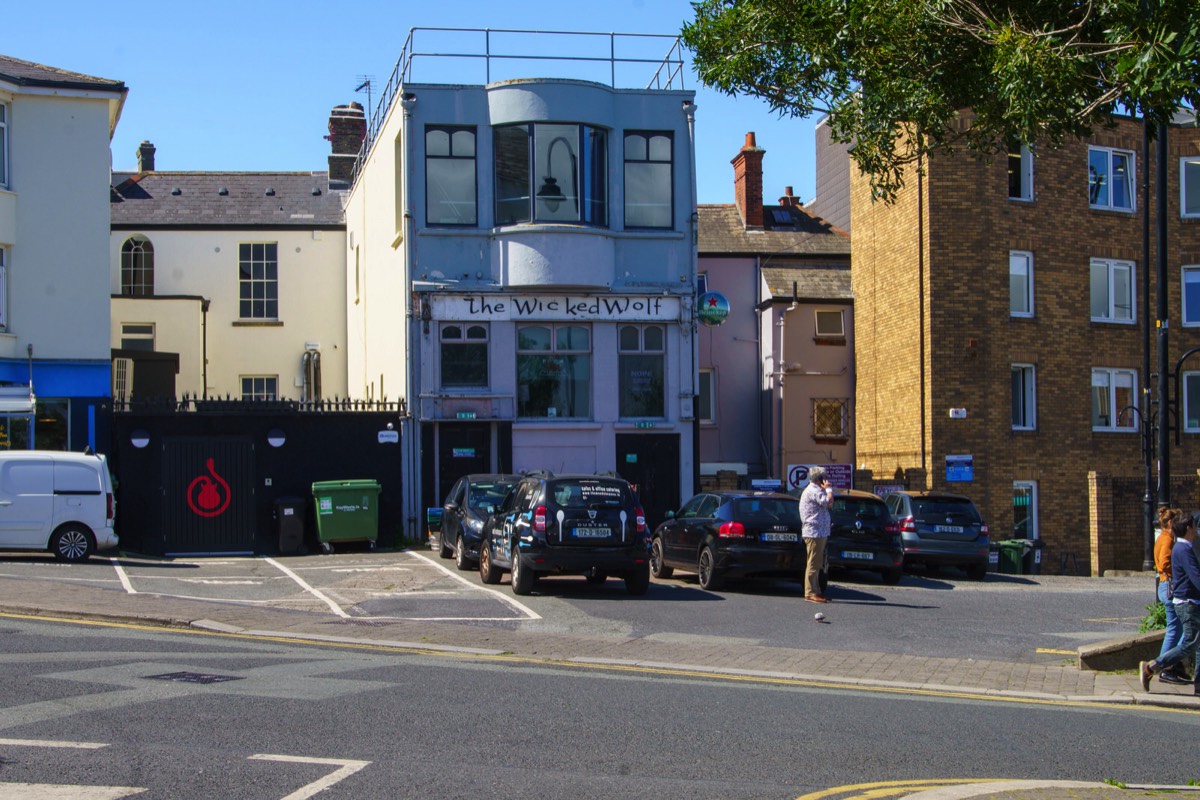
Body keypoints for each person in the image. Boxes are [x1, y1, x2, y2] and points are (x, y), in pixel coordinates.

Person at [1141, 513, 1200, 694]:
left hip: (1190, 601)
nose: (1197, 528)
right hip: (1188, 603)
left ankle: (1198, 684)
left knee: (1197, 644)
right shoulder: (1183, 550)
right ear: (1189, 528)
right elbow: (1196, 577)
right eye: (1194, 525)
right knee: (1190, 643)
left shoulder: (1183, 548)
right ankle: (1153, 667)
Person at [1154, 507, 1189, 684]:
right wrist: (1174, 574)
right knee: (1175, 629)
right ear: (1170, 523)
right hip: (1169, 586)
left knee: (1179, 629)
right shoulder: (1167, 539)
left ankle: (1172, 665)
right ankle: (1165, 667)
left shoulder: (1163, 538)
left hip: (1164, 585)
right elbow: (1165, 562)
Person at [799, 467, 834, 603]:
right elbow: (827, 501)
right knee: (813, 563)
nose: (827, 481)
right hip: (814, 532)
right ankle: (810, 592)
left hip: (820, 532)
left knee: (818, 562)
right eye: (825, 478)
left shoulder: (818, 490)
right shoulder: (813, 490)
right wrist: (829, 489)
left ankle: (817, 590)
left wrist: (827, 491)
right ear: (820, 479)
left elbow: (830, 504)